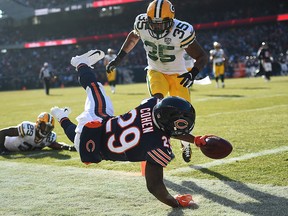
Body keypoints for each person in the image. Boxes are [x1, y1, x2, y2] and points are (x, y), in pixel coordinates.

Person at [51, 49, 209, 208]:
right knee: (77, 136)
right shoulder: (160, 147)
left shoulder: (149, 105)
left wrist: (195, 139)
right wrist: (175, 203)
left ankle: (80, 67)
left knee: (95, 89)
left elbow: (161, 127)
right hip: (90, 149)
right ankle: (66, 101)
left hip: (96, 126)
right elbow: (154, 186)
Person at [105, 0, 208, 163]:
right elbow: (133, 36)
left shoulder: (181, 31)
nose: (158, 27)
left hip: (179, 75)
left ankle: (184, 143)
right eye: (154, 23)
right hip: (156, 70)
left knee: (182, 115)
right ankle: (157, 145)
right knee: (156, 107)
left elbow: (202, 56)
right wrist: (119, 58)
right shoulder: (141, 23)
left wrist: (192, 73)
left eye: (162, 23)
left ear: (171, 20)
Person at [0, 112, 76, 155]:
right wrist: (2, 149)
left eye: (49, 128)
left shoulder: (48, 137)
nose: (46, 130)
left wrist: (68, 147)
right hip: (6, 144)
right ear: (38, 124)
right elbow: (3, 132)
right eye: (44, 126)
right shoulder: (28, 129)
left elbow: (54, 145)